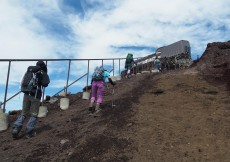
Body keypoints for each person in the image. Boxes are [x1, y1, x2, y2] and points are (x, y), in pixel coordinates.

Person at [12, 61, 49, 139]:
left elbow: (23, 81)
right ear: (43, 66)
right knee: (34, 114)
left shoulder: (29, 70)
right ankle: (29, 132)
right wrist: (44, 75)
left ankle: (15, 128)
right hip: (35, 95)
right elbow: (45, 83)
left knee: (24, 113)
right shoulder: (42, 73)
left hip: (26, 94)